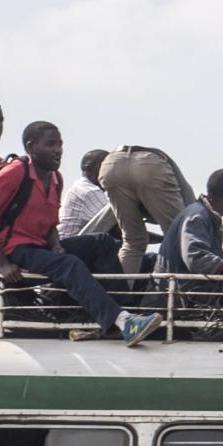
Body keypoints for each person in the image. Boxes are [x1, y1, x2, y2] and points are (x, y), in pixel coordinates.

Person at [0, 123, 159, 346]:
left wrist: (55, 244)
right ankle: (123, 322)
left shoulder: (56, 179)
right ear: (31, 147)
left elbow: (50, 223)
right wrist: (3, 264)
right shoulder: (16, 172)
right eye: (50, 144)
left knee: (102, 242)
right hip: (16, 248)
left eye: (60, 144)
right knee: (69, 264)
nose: (58, 150)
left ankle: (122, 314)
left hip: (40, 246)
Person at [97, 144, 192, 277]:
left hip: (112, 164)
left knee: (133, 241)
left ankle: (119, 292)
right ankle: (170, 290)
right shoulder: (194, 208)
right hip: (149, 165)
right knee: (179, 237)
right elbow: (189, 231)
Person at [156, 170, 223, 286]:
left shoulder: (208, 217)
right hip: (181, 289)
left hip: (191, 286)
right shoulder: (197, 216)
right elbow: (194, 257)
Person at [57, 150, 109, 240]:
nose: (110, 172)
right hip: (69, 245)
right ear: (89, 169)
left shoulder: (81, 187)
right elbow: (118, 224)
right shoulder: (89, 191)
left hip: (73, 242)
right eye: (106, 167)